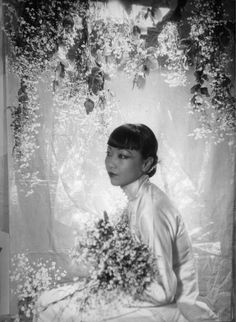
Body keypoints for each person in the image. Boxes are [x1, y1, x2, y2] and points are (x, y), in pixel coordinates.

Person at [104, 123, 218, 322]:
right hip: (153, 301)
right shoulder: (136, 199)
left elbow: (163, 291)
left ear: (146, 164)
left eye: (122, 156)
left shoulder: (150, 209)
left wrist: (119, 280)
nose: (111, 163)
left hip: (175, 309)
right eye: (109, 153)